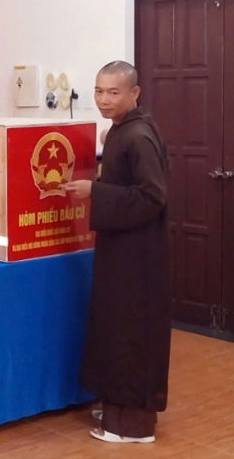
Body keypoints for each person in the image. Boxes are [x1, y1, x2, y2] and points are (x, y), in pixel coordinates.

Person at [61, 61, 170, 444]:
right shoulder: (121, 131)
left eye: (113, 92)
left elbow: (152, 195)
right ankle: (117, 406)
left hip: (137, 255)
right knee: (113, 327)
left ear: (134, 93)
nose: (104, 100)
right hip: (120, 247)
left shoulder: (137, 135)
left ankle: (133, 426)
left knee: (130, 333)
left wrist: (96, 192)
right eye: (98, 91)